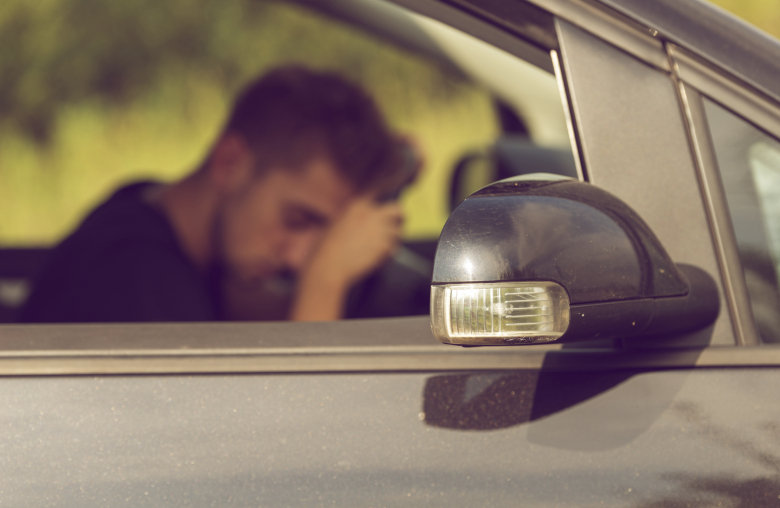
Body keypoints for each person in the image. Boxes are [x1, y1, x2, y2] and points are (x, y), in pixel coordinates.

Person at [20, 66, 425, 323]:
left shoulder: (150, 210)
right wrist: (324, 284)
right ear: (230, 163)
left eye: (322, 239)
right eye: (296, 220)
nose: (300, 259)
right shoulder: (133, 276)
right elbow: (278, 433)